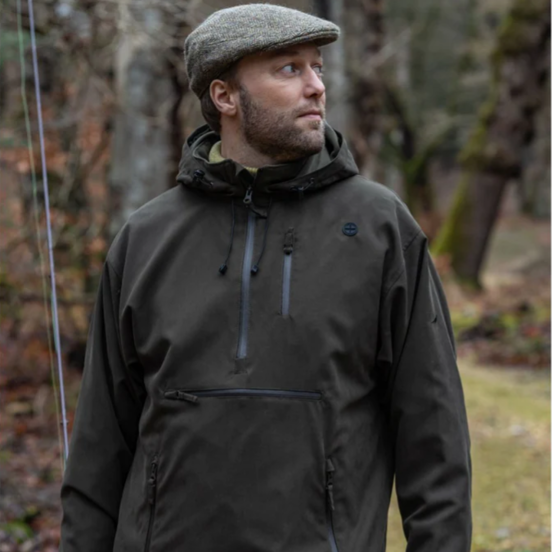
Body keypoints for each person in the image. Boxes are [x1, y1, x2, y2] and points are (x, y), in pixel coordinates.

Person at [60, 4, 472, 551]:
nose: (316, 87)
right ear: (225, 97)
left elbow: (434, 434)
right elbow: (99, 445)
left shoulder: (381, 229)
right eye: (288, 69)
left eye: (317, 67)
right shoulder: (147, 237)